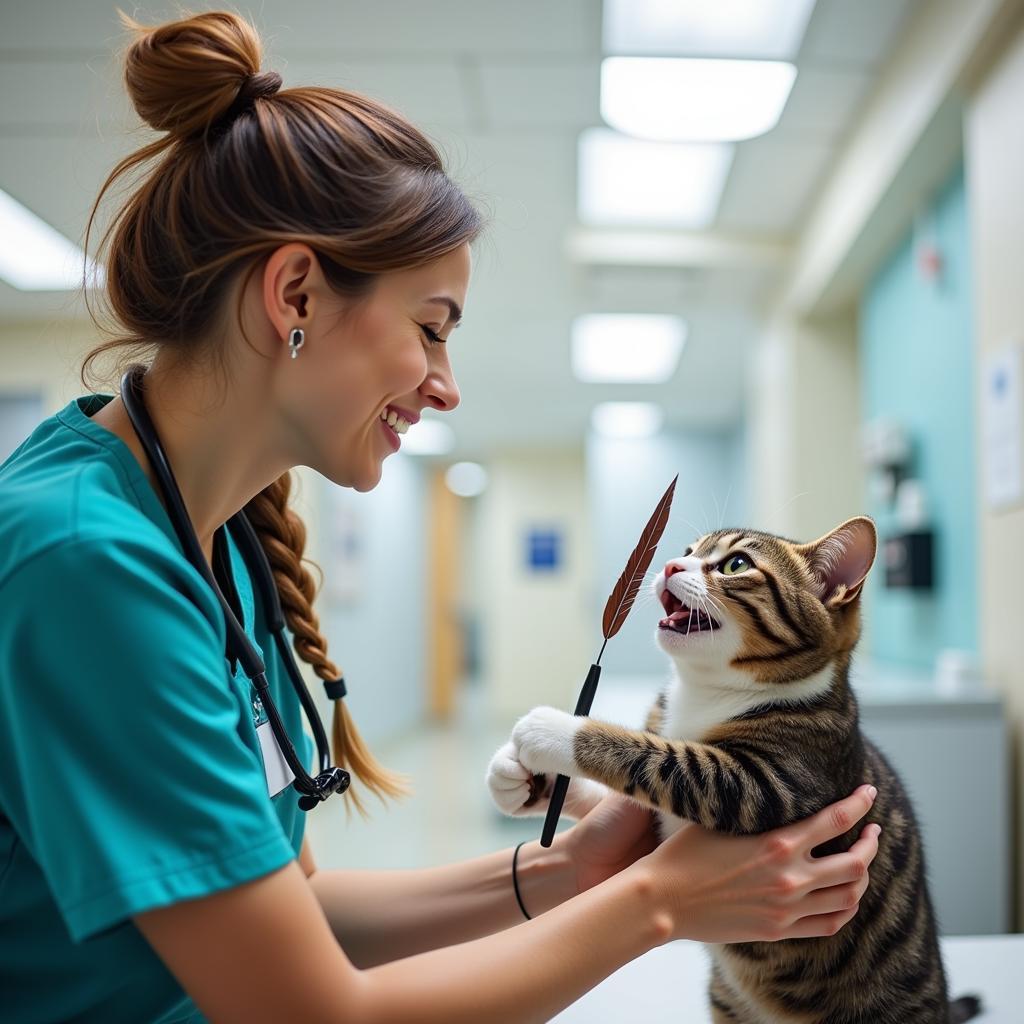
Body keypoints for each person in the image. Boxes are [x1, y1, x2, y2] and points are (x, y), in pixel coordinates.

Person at [0, 11, 882, 1024]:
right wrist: (654, 903)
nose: (447, 385)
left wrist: (568, 870)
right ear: (295, 292)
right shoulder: (84, 565)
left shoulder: (217, 543)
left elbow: (291, 910)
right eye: (432, 328)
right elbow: (312, 1011)